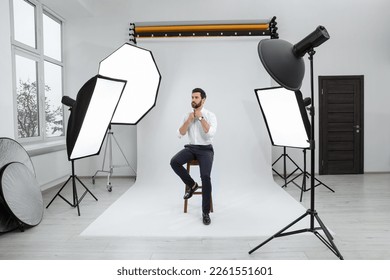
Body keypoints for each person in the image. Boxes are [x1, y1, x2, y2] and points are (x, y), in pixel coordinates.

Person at [170, 88, 217, 225]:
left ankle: (205, 212)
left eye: (196, 97)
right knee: (174, 162)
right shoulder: (187, 115)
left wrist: (200, 117)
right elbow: (180, 134)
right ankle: (192, 185)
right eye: (192, 97)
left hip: (206, 150)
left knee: (206, 177)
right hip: (191, 148)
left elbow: (210, 133)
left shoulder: (210, 115)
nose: (193, 100)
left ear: (203, 99)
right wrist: (189, 120)